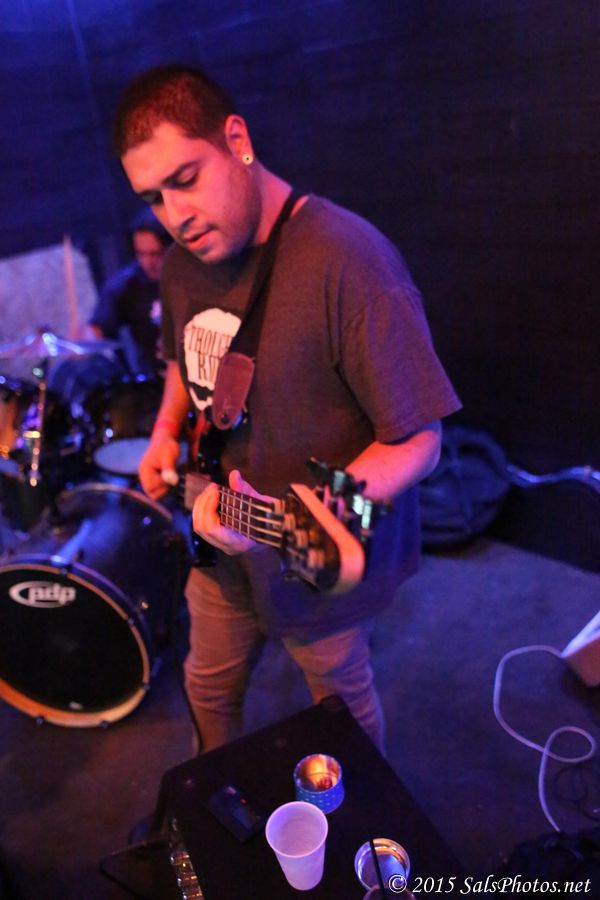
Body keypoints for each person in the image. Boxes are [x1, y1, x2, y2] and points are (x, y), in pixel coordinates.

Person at [113, 64, 461, 753]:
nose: (175, 217)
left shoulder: (350, 259)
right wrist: (163, 433)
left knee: (339, 708)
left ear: (237, 141)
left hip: (311, 553)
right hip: (216, 533)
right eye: (153, 198)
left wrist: (307, 516)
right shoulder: (180, 263)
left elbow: (420, 439)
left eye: (186, 179)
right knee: (208, 687)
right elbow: (185, 359)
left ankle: (360, 819)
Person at [88, 208, 171, 378]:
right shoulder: (125, 285)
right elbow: (96, 331)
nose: (148, 263)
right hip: (156, 380)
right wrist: (81, 339)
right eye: (141, 254)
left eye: (155, 254)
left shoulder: (189, 277)